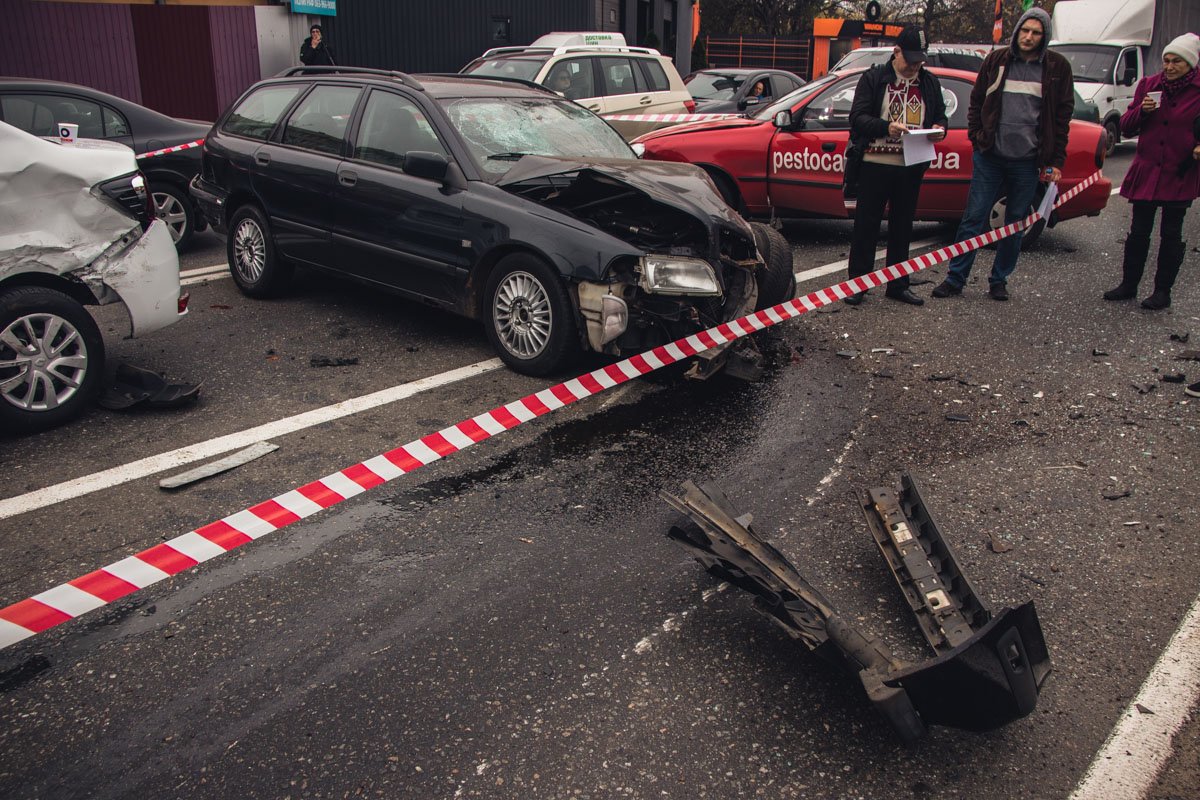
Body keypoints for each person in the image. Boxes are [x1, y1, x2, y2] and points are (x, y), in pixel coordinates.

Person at [931, 7, 1073, 302]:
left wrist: (1054, 161)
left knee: (1015, 222)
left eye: (1036, 33)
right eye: (1025, 30)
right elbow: (977, 100)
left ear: (1044, 37)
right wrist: (977, 136)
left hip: (1027, 161)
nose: (1029, 37)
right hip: (990, 155)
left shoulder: (1057, 68)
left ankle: (999, 280)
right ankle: (955, 278)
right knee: (973, 218)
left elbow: (1061, 118)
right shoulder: (997, 60)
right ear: (1017, 30)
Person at [843, 26, 947, 306]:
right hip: (874, 163)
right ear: (896, 51)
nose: (914, 66)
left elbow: (940, 117)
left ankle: (898, 284)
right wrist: (886, 127)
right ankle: (858, 284)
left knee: (903, 227)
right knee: (867, 226)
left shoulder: (929, 82)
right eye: (910, 60)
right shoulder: (874, 78)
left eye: (919, 61)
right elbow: (857, 118)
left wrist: (939, 129)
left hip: (910, 165)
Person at [1103, 33, 1200, 310]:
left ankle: (1162, 291)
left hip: (1179, 172)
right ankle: (1128, 284)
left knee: (1171, 233)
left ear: (1190, 64)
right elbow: (1127, 126)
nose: (1169, 67)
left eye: (1176, 62)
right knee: (1138, 231)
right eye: (1166, 60)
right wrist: (1142, 112)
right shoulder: (1149, 85)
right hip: (1148, 170)